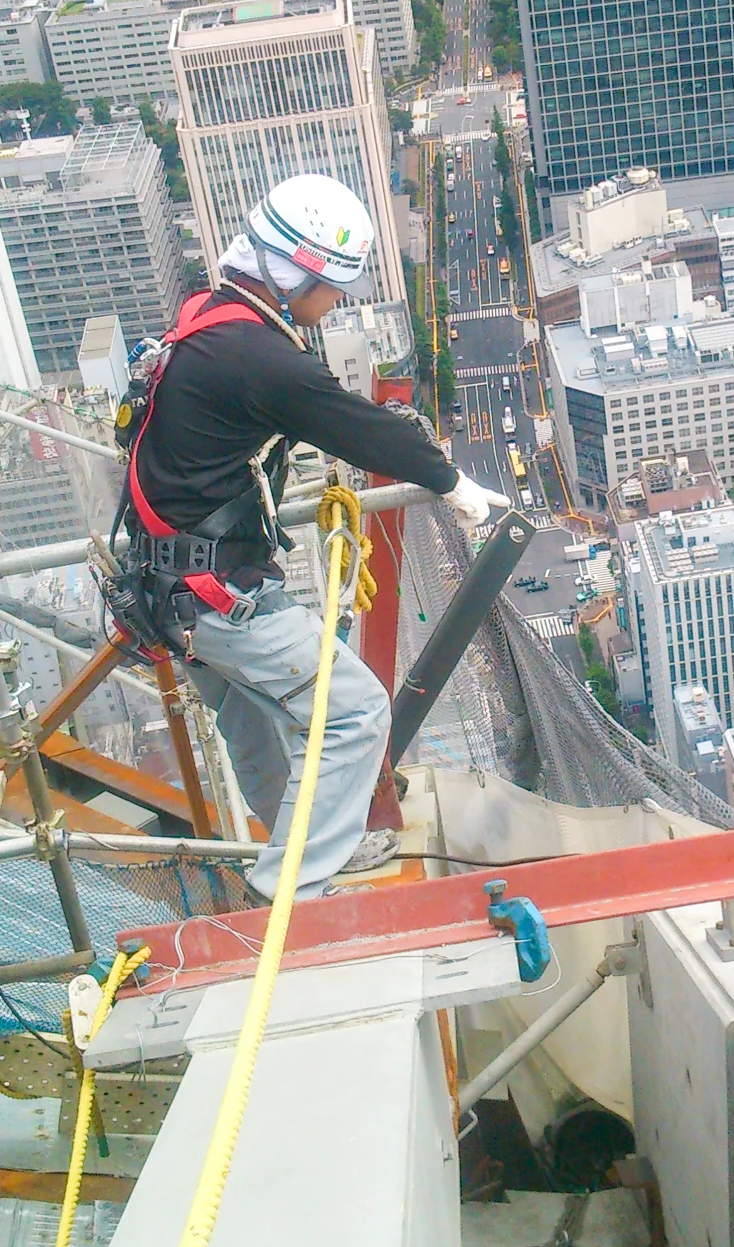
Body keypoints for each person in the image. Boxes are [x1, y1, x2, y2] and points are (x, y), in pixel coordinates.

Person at [118, 174, 494, 904]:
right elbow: (348, 421)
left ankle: (296, 857)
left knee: (252, 721)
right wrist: (453, 481)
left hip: (167, 590)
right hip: (217, 593)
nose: (336, 306)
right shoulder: (259, 357)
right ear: (292, 276)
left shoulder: (208, 314)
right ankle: (291, 888)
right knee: (354, 711)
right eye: (331, 289)